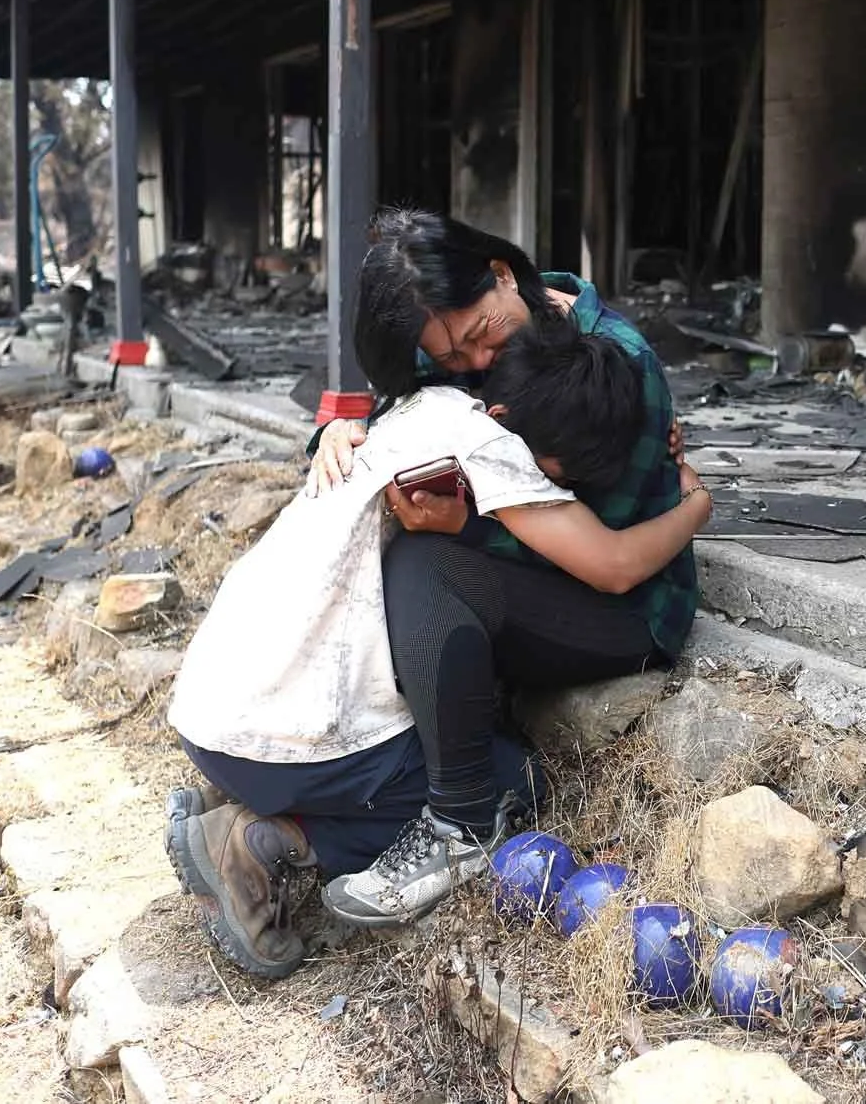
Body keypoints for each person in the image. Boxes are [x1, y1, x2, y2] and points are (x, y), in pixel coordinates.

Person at [164, 310, 713, 978]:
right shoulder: (494, 445)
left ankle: (248, 799)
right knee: (512, 781)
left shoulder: (416, 408)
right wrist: (695, 505)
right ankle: (264, 840)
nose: (571, 489)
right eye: (566, 473)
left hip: (209, 709)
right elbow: (616, 565)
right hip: (273, 738)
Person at [300, 212, 701, 929]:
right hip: (527, 581)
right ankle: (483, 774)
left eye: (480, 335)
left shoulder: (615, 360)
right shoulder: (454, 341)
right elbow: (401, 411)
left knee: (427, 561)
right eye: (451, 359)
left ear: (502, 273)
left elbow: (607, 547)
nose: (474, 363)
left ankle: (463, 821)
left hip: (624, 600)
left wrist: (470, 527)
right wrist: (339, 431)